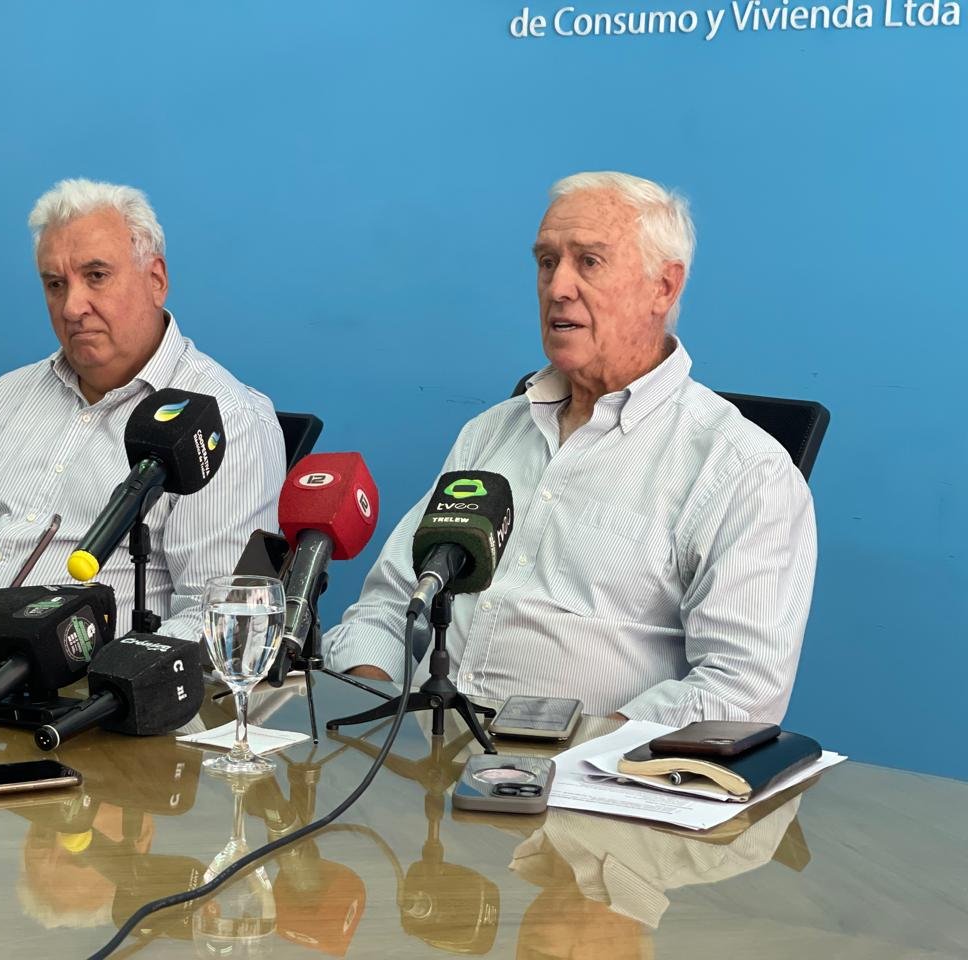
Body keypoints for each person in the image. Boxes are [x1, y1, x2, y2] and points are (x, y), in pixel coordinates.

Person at [323, 171, 816, 724]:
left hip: (587, 769)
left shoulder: (740, 469)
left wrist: (578, 749)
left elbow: (740, 689)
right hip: (416, 748)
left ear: (663, 287)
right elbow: (391, 605)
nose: (558, 287)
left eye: (589, 261)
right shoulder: (489, 434)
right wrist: (369, 712)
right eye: (546, 261)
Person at [0, 179, 285, 641]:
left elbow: (217, 619)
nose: (72, 307)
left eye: (96, 276)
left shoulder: (223, 422)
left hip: (90, 682)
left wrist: (121, 676)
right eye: (55, 284)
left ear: (156, 280)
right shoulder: (1, 399)